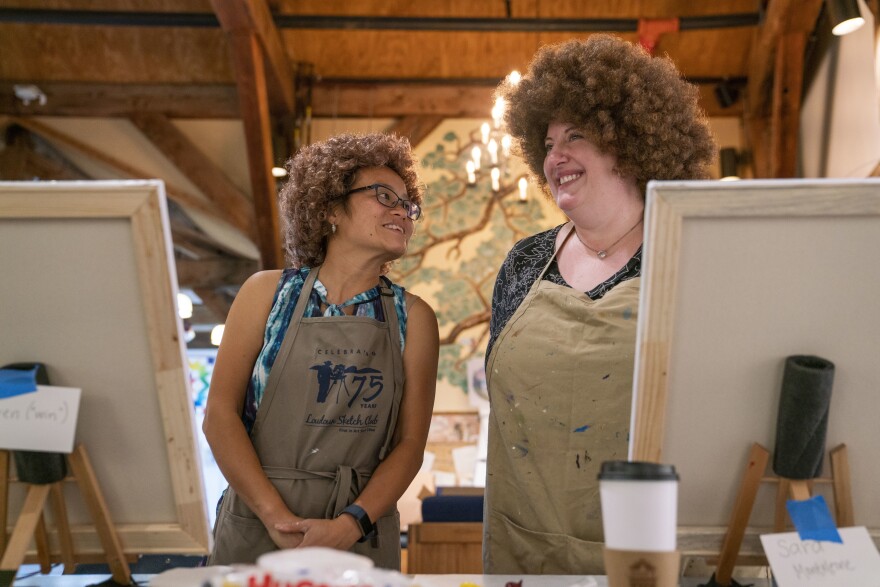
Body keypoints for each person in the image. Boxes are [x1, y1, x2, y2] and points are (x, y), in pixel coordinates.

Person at [483, 34, 715, 574]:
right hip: (526, 553)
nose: (554, 156)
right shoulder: (524, 262)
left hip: (654, 559)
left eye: (576, 135)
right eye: (546, 142)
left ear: (630, 141)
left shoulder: (685, 252)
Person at [203, 133, 439, 570]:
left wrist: (349, 525)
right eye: (383, 196)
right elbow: (219, 415)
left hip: (357, 532)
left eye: (408, 205)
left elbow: (409, 445)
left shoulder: (414, 318)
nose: (401, 212)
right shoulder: (265, 295)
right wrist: (275, 518)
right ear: (329, 208)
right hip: (257, 521)